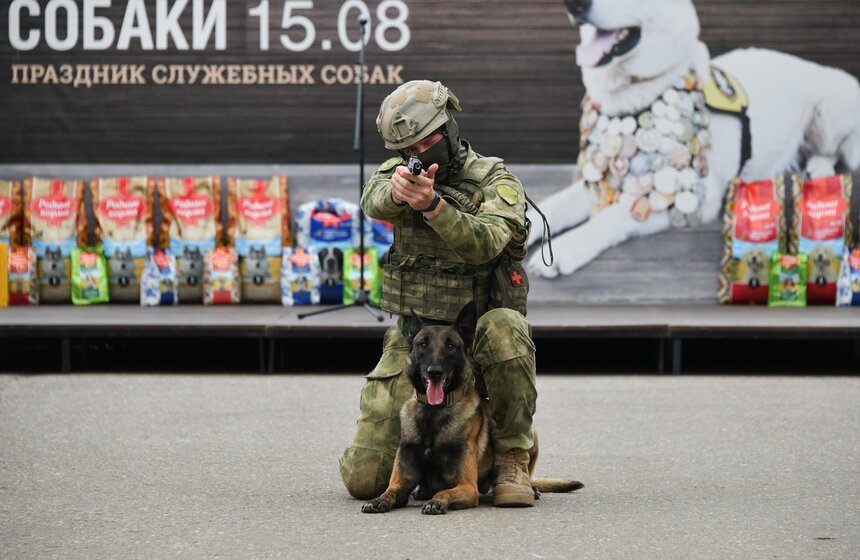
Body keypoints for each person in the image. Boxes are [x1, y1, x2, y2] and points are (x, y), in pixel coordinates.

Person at [338, 79, 538, 507]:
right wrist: (398, 193)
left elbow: (486, 243)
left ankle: (512, 456)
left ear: (448, 129)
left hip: (476, 341)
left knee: (507, 329)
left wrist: (433, 207)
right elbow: (373, 199)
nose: (418, 154)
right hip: (418, 342)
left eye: (426, 142)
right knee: (364, 481)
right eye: (408, 149)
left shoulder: (494, 180)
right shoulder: (397, 171)